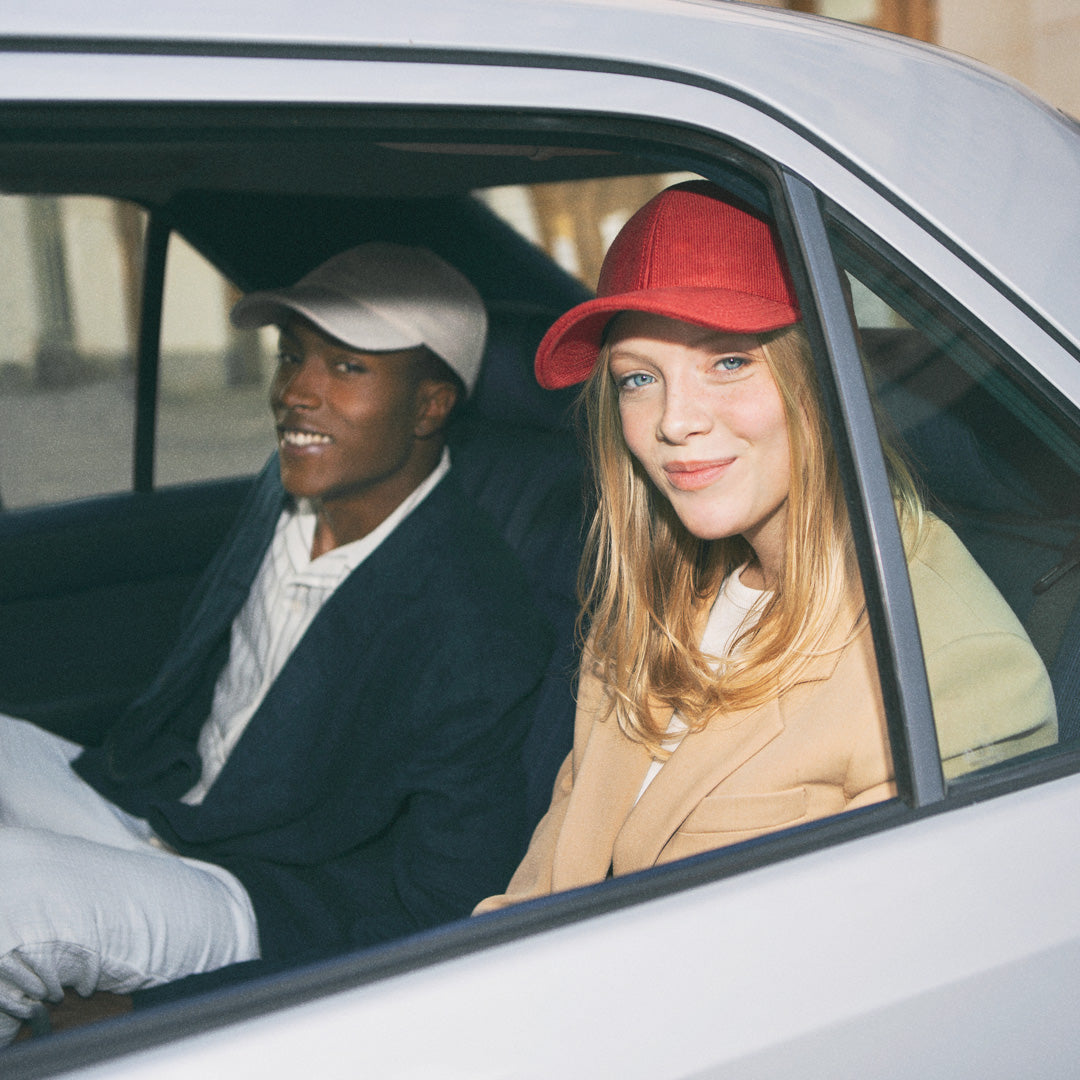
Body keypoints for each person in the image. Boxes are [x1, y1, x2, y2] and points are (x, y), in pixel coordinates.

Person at [0, 242, 552, 1043]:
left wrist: (155, 1010)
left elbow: (440, 911)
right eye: (293, 357)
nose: (295, 391)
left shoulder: (476, 626)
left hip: (262, 892)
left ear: (431, 406)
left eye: (347, 368)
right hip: (163, 803)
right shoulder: (294, 486)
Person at [475, 180, 1056, 912]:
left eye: (729, 362)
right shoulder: (649, 613)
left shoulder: (943, 667)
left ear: (821, 375)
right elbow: (539, 891)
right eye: (639, 378)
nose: (674, 421)